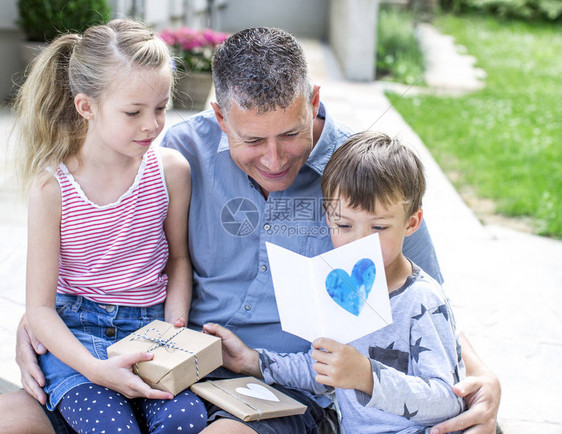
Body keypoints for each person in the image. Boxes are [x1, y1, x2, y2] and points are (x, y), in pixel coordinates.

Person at [6, 26, 500, 433]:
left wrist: (480, 375)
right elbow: (97, 227)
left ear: (313, 100)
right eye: (252, 140)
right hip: (175, 361)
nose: (274, 158)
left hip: (287, 387)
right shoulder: (177, 156)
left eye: (290, 133)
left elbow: (423, 295)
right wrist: (41, 320)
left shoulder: (368, 180)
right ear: (220, 116)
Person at [7, 19, 207, 433]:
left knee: (185, 421)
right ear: (87, 106)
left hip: (150, 330)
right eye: (133, 112)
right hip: (77, 338)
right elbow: (40, 309)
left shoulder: (171, 172)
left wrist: (173, 327)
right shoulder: (52, 187)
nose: (152, 124)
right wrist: (96, 369)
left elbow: (178, 258)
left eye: (161, 107)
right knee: (111, 427)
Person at [203, 132, 466, 433]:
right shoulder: (341, 290)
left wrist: (367, 376)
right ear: (328, 218)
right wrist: (253, 361)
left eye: (379, 227)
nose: (359, 241)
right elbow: (325, 370)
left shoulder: (421, 299)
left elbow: (448, 399)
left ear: (411, 223)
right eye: (344, 225)